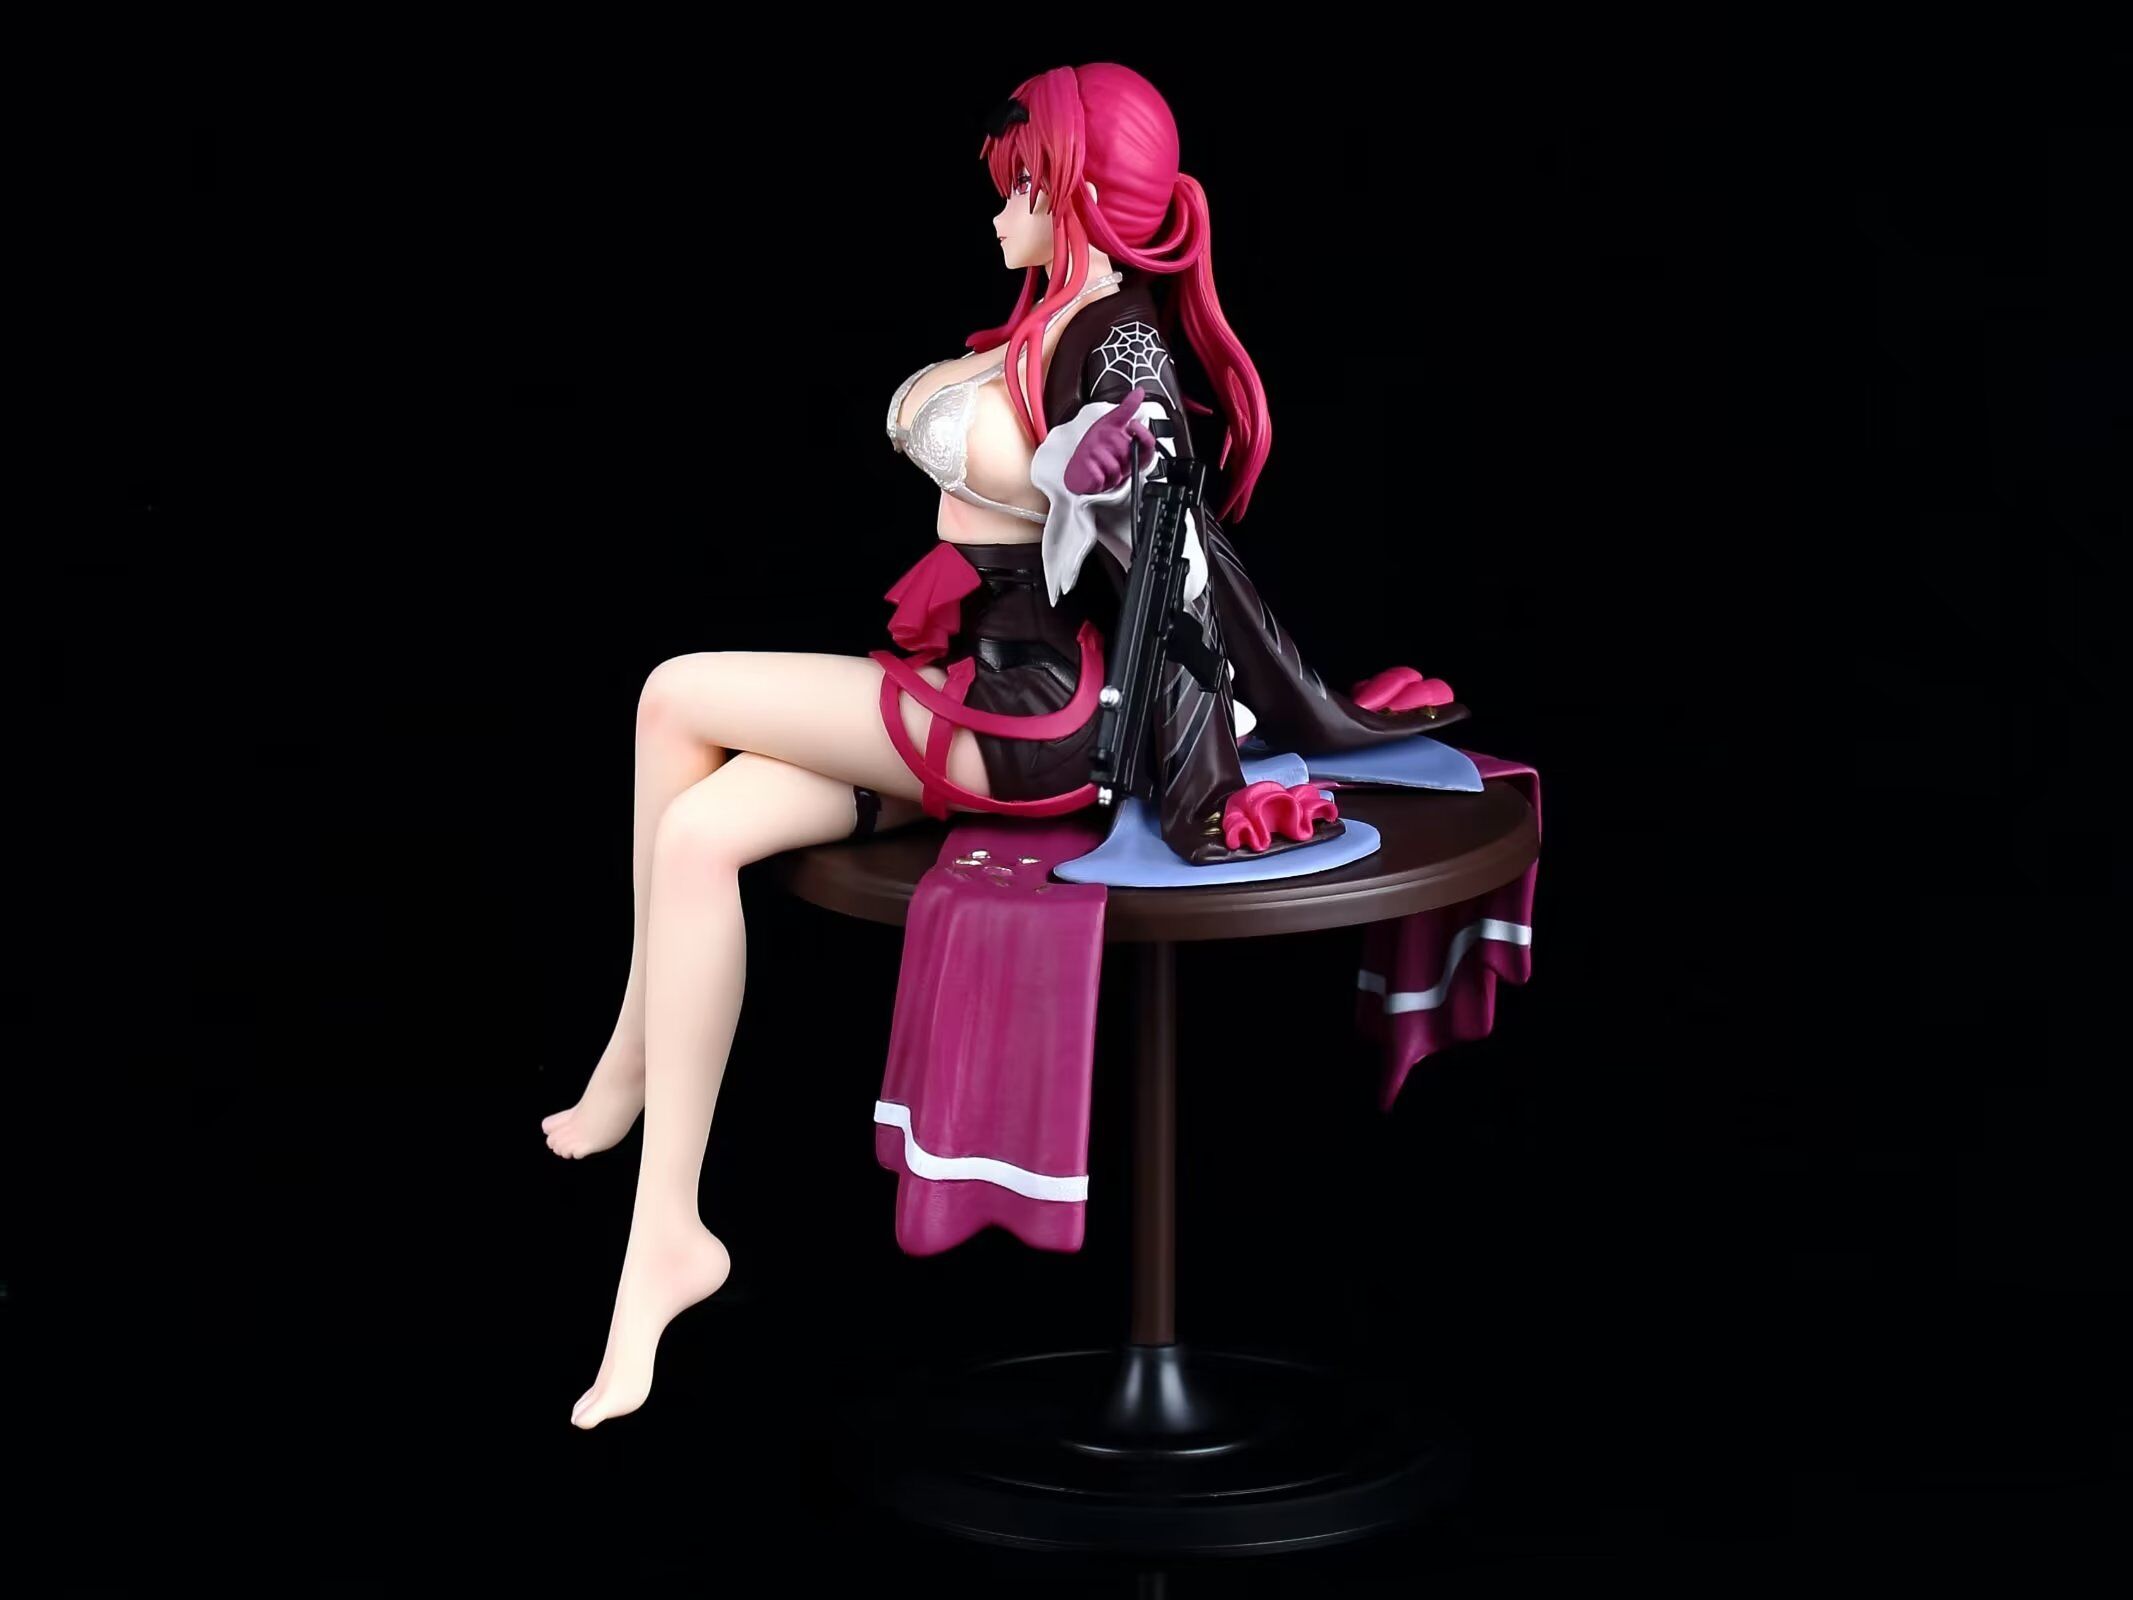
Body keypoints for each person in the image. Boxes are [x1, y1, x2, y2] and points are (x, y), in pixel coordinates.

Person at [542, 62, 1456, 1430]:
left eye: (1020, 185)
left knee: (673, 694)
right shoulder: (1047, 320)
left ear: (1073, 192)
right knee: (699, 831)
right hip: (961, 682)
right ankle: (666, 1238)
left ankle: (628, 1047)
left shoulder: (1119, 345)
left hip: (1023, 718)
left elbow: (1179, 555)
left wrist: (1123, 517)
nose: (997, 211)